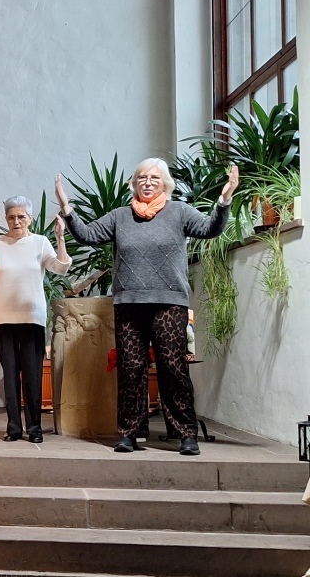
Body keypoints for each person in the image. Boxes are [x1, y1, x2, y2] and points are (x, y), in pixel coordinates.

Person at [56, 159, 239, 456]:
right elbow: (87, 235)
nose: (147, 182)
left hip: (169, 303)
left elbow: (210, 229)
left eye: (154, 177)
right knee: (130, 370)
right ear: (134, 183)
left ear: (164, 182)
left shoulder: (179, 212)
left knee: (173, 369)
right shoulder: (120, 216)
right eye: (141, 177)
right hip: (129, 304)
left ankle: (185, 433)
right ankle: (129, 434)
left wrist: (225, 198)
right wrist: (67, 208)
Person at [0, 197, 71, 443]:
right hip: (3, 319)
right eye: (11, 217)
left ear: (30, 218)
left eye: (21, 216)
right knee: (10, 375)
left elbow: (61, 267)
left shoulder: (40, 242)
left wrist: (60, 238)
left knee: (32, 375)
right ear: (6, 219)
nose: (16, 221)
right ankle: (13, 428)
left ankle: (34, 429)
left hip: (32, 317)